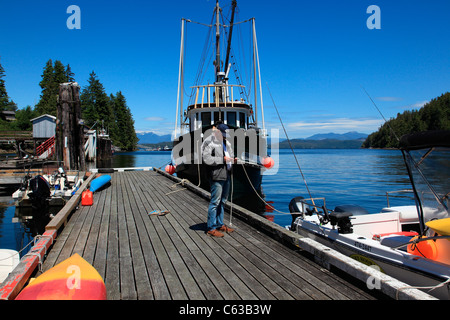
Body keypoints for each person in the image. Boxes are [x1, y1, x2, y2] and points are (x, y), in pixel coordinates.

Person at [201, 122, 237, 237]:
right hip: (216, 176)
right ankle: (211, 228)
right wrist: (223, 159)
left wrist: (233, 160)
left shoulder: (226, 142)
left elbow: (228, 157)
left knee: (223, 201)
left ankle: (219, 224)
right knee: (215, 202)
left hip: (226, 175)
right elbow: (206, 159)